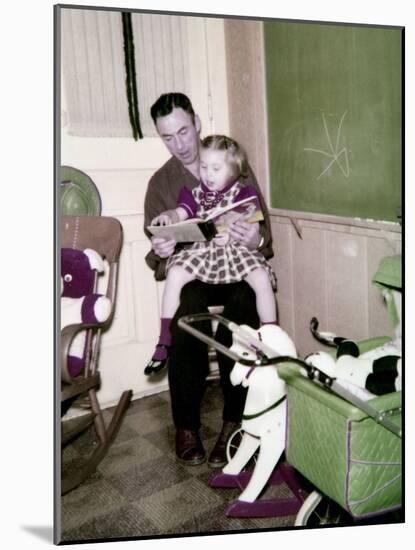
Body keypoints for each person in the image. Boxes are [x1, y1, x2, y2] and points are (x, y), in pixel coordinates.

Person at [144, 93, 275, 468]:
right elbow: (157, 254)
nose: (179, 144)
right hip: (196, 270)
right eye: (167, 137)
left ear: (197, 123)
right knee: (186, 314)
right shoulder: (161, 183)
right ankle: (186, 426)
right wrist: (163, 249)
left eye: (184, 131)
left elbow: (264, 236)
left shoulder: (231, 162)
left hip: (236, 267)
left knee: (244, 308)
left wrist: (257, 238)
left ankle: (236, 422)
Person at [144, 134, 277, 376]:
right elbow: (180, 212)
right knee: (174, 274)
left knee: (260, 278)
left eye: (216, 168)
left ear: (234, 169)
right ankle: (164, 339)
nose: (208, 174)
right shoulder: (193, 193)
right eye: (204, 167)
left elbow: (254, 227)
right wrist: (168, 218)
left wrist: (240, 233)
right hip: (204, 255)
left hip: (235, 254)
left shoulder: (245, 194)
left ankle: (271, 336)